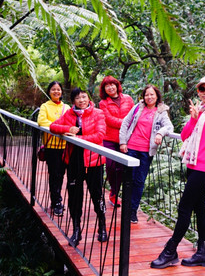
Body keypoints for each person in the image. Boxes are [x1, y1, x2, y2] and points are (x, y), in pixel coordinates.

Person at [150, 75, 205, 269]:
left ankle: (170, 250)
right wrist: (193, 119)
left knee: (184, 207)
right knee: (199, 208)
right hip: (193, 165)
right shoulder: (201, 112)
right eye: (202, 89)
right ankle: (203, 254)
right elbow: (185, 136)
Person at [50, 87, 108, 247]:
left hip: (93, 161)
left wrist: (79, 138)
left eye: (84, 97)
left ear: (88, 98)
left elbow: (100, 135)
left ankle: (102, 225)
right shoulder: (69, 114)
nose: (82, 100)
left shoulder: (98, 113)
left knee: (97, 194)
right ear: (73, 101)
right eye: (78, 98)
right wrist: (67, 129)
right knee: (74, 195)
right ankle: (77, 230)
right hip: (74, 161)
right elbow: (53, 126)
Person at [118, 84, 173, 224]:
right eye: (147, 94)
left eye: (152, 94)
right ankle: (126, 207)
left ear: (157, 96)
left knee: (139, 181)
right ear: (143, 96)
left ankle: (132, 210)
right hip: (131, 148)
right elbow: (125, 123)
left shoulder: (161, 111)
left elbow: (169, 126)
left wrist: (160, 133)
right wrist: (122, 142)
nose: (149, 97)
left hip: (146, 151)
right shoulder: (138, 107)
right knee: (128, 179)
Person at [98, 75, 134, 206]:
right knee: (111, 166)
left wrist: (128, 124)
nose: (110, 87)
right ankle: (113, 190)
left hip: (125, 139)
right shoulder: (103, 103)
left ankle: (115, 193)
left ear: (117, 85)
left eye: (112, 84)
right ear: (104, 89)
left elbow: (134, 115)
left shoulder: (128, 99)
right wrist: (126, 123)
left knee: (122, 168)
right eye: (107, 86)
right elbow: (109, 120)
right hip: (109, 138)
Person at [37, 80, 68, 215]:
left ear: (61, 92)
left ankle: (58, 200)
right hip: (52, 146)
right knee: (54, 174)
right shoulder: (45, 106)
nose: (56, 91)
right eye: (53, 89)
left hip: (66, 146)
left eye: (58, 89)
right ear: (49, 92)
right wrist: (60, 128)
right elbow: (41, 121)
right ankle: (56, 202)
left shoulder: (66, 107)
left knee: (61, 174)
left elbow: (71, 122)